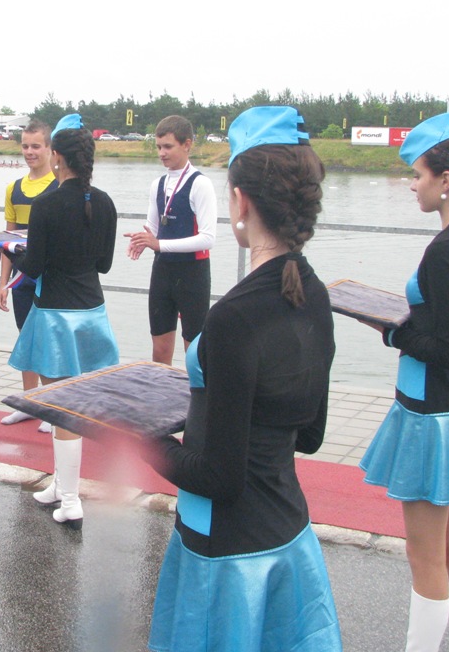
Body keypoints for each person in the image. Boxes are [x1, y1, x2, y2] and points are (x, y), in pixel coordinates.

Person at [142, 106, 341, 651]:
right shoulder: (315, 294)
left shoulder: (232, 316)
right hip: (288, 533)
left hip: (224, 552)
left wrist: (136, 435)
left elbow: (217, 477)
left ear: (241, 201)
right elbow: (310, 434)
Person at [359, 112, 449, 652]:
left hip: (429, 415)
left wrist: (393, 331)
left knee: (425, 557)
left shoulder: (444, 250)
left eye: (417, 175)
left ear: (446, 180)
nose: (411, 185)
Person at [8, 114, 119, 528]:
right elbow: (104, 264)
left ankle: (71, 498)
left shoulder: (47, 205)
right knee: (64, 405)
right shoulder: (104, 203)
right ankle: (60, 484)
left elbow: (33, 266)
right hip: (92, 312)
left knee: (63, 406)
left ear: (57, 157)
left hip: (56, 314)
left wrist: (11, 252)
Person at [125, 115, 217, 364]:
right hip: (163, 272)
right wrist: (141, 240)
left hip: (192, 274)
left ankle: (195, 390)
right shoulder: (158, 184)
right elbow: (154, 228)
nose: (161, 153)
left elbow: (208, 238)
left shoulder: (200, 184)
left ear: (187, 145)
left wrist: (158, 244)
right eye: (158, 147)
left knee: (194, 353)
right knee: (160, 351)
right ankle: (160, 389)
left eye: (168, 147)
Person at [0, 119, 59, 426]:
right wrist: (3, 283)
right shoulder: (14, 188)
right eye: (25, 146)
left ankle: (50, 406)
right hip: (22, 277)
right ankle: (29, 402)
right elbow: (6, 241)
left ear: (49, 148)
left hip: (50, 278)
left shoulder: (59, 187)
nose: (30, 152)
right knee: (26, 338)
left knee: (47, 341)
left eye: (36, 146)